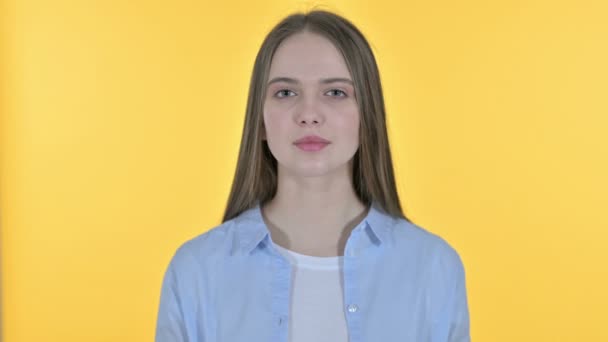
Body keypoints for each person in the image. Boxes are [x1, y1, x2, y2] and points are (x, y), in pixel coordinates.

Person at [155, 9, 470, 342]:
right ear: (260, 120)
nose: (308, 114)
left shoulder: (432, 267)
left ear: (368, 116)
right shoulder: (196, 271)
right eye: (285, 93)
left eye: (335, 92)